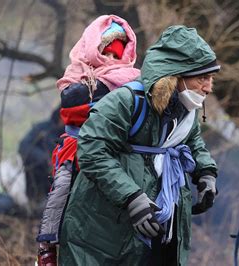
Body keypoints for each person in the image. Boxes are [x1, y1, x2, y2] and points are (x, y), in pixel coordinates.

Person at [59, 25, 219, 265]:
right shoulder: (126, 101)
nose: (208, 87)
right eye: (202, 78)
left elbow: (193, 141)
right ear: (177, 74)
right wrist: (131, 197)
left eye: (211, 78)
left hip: (160, 225)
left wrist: (206, 173)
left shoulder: (186, 111)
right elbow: (92, 150)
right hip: (104, 229)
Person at [35, 15, 140, 266]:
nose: (112, 61)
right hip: (76, 148)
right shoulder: (77, 73)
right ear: (94, 49)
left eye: (117, 55)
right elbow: (72, 103)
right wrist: (104, 90)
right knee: (61, 189)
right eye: (107, 53)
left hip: (117, 152)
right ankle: (47, 246)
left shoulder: (133, 78)